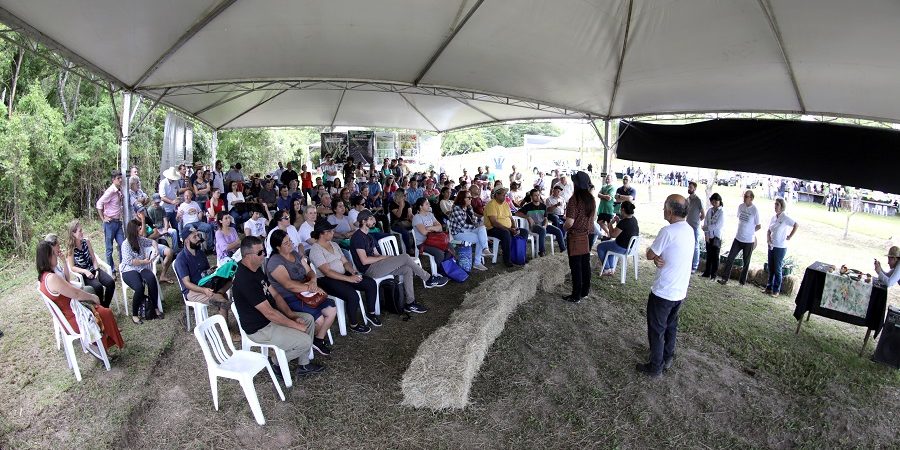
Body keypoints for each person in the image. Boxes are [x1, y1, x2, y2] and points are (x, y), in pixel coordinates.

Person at [232, 236, 323, 377]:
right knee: (305, 341)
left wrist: (292, 316)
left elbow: (276, 295)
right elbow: (269, 313)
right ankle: (274, 362)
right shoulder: (245, 279)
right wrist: (295, 325)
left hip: (271, 318)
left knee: (308, 319)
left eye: (263, 251)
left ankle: (304, 365)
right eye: (260, 253)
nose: (264, 254)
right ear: (247, 256)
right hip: (260, 328)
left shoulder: (256, 268)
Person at [636, 194, 694, 377]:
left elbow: (650, 254)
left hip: (663, 291)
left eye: (664, 207)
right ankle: (667, 357)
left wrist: (652, 255)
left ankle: (655, 366)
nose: (663, 210)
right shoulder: (689, 229)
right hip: (679, 290)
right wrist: (657, 259)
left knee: (657, 329)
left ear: (669, 211)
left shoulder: (668, 231)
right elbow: (670, 255)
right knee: (670, 326)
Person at [351, 210, 448, 313]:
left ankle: (410, 303)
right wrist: (383, 258)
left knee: (407, 269)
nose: (374, 220)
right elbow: (364, 261)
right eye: (371, 219)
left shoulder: (368, 236)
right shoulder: (357, 237)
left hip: (377, 265)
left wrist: (387, 257)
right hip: (369, 270)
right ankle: (428, 279)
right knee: (405, 257)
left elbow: (376, 254)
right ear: (363, 221)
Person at [37, 241, 124, 350]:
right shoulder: (52, 278)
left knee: (101, 308)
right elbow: (76, 294)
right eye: (53, 254)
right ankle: (105, 345)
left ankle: (106, 341)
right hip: (73, 318)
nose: (56, 256)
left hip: (69, 314)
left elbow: (69, 286)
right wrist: (92, 297)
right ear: (48, 257)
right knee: (106, 312)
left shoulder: (43, 277)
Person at [267, 229, 336, 355]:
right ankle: (306, 345)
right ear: (277, 247)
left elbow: (309, 271)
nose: (290, 244)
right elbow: (289, 285)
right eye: (286, 243)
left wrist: (313, 281)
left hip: (307, 293)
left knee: (332, 310)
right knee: (320, 320)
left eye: (290, 241)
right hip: (289, 298)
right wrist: (311, 288)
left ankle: (318, 340)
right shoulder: (275, 262)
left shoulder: (294, 253)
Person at [309, 221, 378, 333]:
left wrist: (352, 271)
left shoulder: (334, 244)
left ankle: (371, 313)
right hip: (326, 280)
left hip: (342, 274)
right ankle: (354, 324)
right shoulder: (316, 249)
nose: (333, 232)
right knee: (352, 295)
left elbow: (345, 262)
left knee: (370, 283)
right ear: (322, 233)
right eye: (330, 231)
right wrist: (349, 279)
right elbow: (327, 272)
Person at [175, 228, 232, 319]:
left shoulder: (200, 253)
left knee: (229, 280)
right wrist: (204, 290)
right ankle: (226, 328)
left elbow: (205, 271)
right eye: (195, 237)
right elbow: (187, 283)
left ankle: (218, 294)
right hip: (192, 290)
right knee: (223, 301)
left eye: (198, 235)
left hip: (206, 283)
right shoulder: (181, 259)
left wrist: (211, 271)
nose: (198, 239)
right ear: (186, 241)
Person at [66, 219, 116, 307]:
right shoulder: (71, 249)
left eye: (82, 230)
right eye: (79, 231)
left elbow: (93, 258)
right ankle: (100, 307)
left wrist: (96, 269)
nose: (82, 232)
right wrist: (85, 271)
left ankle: (105, 306)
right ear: (73, 234)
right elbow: (72, 267)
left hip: (94, 269)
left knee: (111, 282)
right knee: (98, 287)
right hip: (84, 275)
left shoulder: (86, 242)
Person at [562, 172, 596, 303]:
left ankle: (576, 295)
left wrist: (564, 227)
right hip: (587, 236)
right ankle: (584, 292)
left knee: (575, 266)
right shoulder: (591, 199)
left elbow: (569, 222)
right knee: (585, 264)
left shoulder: (574, 200)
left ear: (576, 185)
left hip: (575, 236)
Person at [121, 219, 161, 324]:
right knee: (139, 287)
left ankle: (155, 307)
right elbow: (130, 261)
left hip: (141, 267)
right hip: (129, 269)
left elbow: (152, 241)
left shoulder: (139, 239)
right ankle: (134, 314)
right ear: (133, 230)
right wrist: (144, 261)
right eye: (139, 228)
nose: (141, 229)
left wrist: (156, 249)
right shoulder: (125, 244)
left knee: (151, 279)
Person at [718, 190, 761, 286]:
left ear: (751, 198)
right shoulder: (740, 207)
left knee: (746, 262)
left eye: (747, 196)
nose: (744, 197)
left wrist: (751, 232)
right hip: (738, 238)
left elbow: (758, 226)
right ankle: (724, 279)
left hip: (749, 241)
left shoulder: (755, 210)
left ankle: (742, 281)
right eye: (744, 196)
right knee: (730, 258)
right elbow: (739, 219)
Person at [485, 187, 530, 267]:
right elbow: (494, 223)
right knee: (506, 233)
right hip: (492, 229)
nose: (505, 196)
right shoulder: (491, 204)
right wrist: (509, 229)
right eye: (503, 195)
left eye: (505, 195)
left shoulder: (505, 204)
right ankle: (507, 259)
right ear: (496, 195)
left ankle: (521, 255)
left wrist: (514, 228)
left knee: (524, 232)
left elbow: (511, 219)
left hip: (507, 228)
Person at [763, 198, 799, 297]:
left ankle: (776, 290)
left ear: (782, 206)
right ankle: (768, 287)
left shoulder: (785, 217)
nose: (775, 206)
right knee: (771, 267)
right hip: (771, 245)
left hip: (780, 247)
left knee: (777, 269)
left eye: (777, 204)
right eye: (775, 204)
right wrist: (768, 240)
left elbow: (796, 225)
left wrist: (790, 236)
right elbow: (769, 230)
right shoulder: (773, 217)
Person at [446, 191, 490, 271]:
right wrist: (476, 225)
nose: (471, 199)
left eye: (471, 197)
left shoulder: (469, 207)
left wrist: (479, 223)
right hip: (459, 232)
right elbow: (463, 225)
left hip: (469, 230)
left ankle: (485, 249)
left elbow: (474, 220)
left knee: (482, 228)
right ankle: (477, 262)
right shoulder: (456, 208)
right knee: (479, 238)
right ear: (462, 199)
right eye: (469, 198)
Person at [517, 189, 566, 256]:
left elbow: (546, 218)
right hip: (534, 226)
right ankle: (542, 251)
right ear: (531, 197)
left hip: (543, 225)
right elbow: (517, 213)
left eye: (538, 195)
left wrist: (545, 225)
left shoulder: (543, 206)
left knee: (558, 230)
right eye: (535, 195)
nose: (537, 197)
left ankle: (563, 249)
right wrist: (527, 217)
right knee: (542, 230)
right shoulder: (527, 206)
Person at [596, 201, 638, 275]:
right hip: (631, 248)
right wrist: (618, 222)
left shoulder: (624, 222)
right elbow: (623, 229)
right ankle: (611, 268)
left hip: (622, 248)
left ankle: (606, 269)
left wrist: (610, 224)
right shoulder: (634, 219)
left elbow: (612, 235)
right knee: (610, 246)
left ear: (622, 210)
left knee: (600, 246)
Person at [96, 170, 125, 272]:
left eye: (121, 178)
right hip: (110, 223)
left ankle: (123, 267)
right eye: (118, 178)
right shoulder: (110, 191)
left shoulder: (120, 189)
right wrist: (103, 218)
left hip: (118, 222)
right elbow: (99, 203)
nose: (120, 180)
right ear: (113, 180)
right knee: (109, 248)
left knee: (123, 245)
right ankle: (111, 270)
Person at [412, 198, 449, 270]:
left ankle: (446, 267)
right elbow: (424, 232)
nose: (429, 205)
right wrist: (434, 228)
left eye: (428, 203)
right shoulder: (417, 217)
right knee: (439, 253)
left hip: (434, 239)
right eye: (426, 204)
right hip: (423, 243)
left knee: (448, 246)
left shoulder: (430, 215)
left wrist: (429, 228)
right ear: (420, 207)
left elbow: (440, 227)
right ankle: (439, 270)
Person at [700, 193, 724, 280]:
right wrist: (706, 234)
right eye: (712, 201)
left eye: (716, 201)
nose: (714, 203)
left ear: (719, 201)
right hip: (708, 236)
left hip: (717, 236)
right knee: (709, 255)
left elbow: (718, 225)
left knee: (715, 256)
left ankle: (714, 274)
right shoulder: (710, 210)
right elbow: (705, 222)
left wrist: (706, 228)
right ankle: (707, 272)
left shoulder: (722, 212)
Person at [686, 181, 706, 273]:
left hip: (695, 226)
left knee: (695, 245)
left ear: (694, 189)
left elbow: (703, 214)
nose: (689, 189)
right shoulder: (687, 200)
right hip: (687, 225)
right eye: (689, 187)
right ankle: (688, 264)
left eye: (691, 187)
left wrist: (697, 221)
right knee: (688, 244)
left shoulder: (698, 200)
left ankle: (694, 266)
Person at [389, 190, 415, 255]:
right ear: (399, 196)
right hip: (395, 224)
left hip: (406, 222)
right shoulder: (392, 204)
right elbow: (398, 215)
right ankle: (408, 248)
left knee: (417, 228)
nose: (406, 196)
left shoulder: (407, 203)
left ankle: (416, 247)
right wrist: (401, 206)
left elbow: (410, 214)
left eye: (406, 194)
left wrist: (412, 217)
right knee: (405, 232)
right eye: (404, 195)